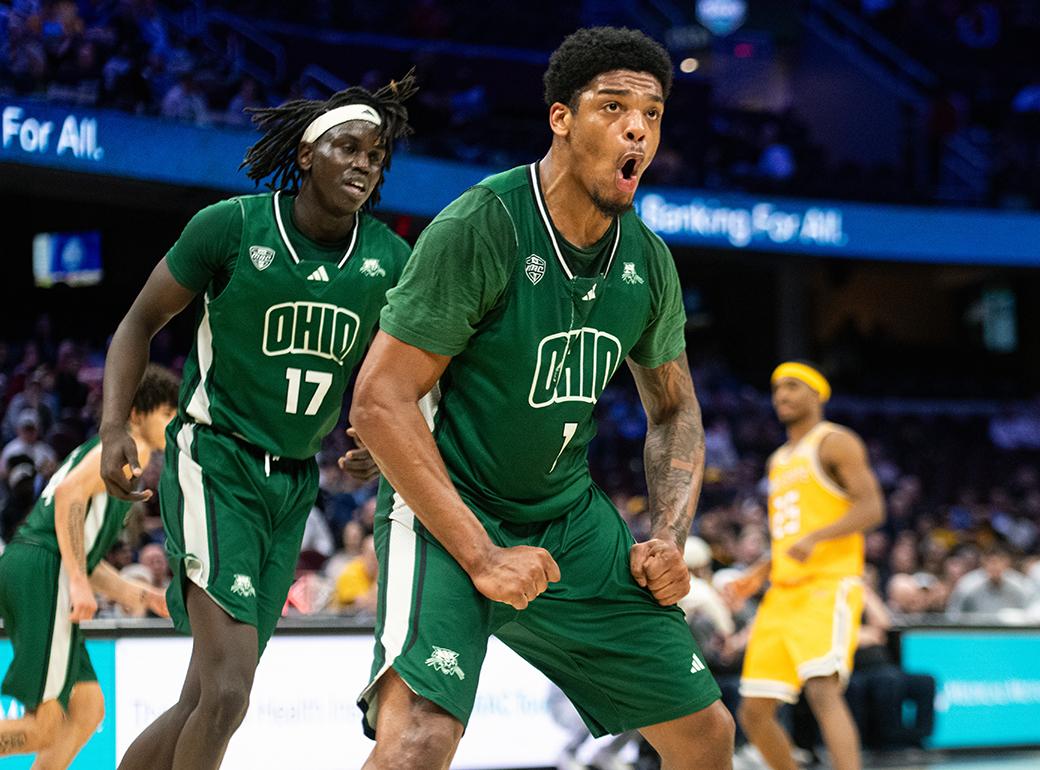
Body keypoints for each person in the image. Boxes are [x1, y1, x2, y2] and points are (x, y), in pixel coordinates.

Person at [350, 27, 734, 769]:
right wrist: (483, 553)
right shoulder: (481, 225)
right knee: (421, 741)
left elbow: (676, 409)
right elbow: (379, 401)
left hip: (566, 517)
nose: (636, 128)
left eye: (651, 115)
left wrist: (670, 539)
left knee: (705, 734)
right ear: (560, 118)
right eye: (613, 106)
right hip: (446, 512)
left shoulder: (647, 262)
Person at [99, 74, 417, 770]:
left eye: (377, 155)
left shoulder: (390, 261)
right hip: (216, 461)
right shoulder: (233, 227)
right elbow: (137, 324)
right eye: (349, 147)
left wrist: (376, 440)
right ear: (305, 155)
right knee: (229, 697)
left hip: (295, 483)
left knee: (203, 701)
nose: (365, 162)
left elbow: (404, 378)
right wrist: (113, 426)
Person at [0, 365, 178, 767]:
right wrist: (76, 582)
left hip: (36, 565)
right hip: (43, 572)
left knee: (87, 708)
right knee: (41, 726)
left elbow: (83, 554)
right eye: (166, 415)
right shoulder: (119, 448)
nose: (172, 425)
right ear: (135, 414)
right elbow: (67, 496)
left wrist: (144, 596)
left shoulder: (123, 458)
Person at [724, 362, 885, 770]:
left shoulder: (835, 442)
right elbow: (788, 534)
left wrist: (817, 538)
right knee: (754, 713)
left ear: (817, 394)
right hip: (782, 594)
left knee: (821, 691)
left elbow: (872, 508)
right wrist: (759, 571)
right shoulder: (778, 459)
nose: (782, 395)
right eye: (777, 389)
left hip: (827, 585)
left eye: (793, 386)